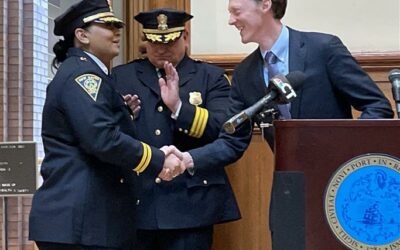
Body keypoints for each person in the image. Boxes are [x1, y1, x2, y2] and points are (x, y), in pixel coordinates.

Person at [178, 0, 394, 248]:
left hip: (344, 187)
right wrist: (189, 159)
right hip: (288, 190)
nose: (230, 20)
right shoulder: (245, 74)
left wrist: (345, 153)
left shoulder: (322, 49)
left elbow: (377, 106)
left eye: (236, 12)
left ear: (265, 5)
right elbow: (232, 140)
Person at [29, 1, 184, 250]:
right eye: (108, 25)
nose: (117, 31)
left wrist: (123, 116)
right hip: (81, 221)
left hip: (86, 220)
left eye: (118, 25)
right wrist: (157, 159)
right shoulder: (84, 76)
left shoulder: (90, 72)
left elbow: (87, 130)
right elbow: (102, 139)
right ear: (82, 35)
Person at [112, 8, 241, 250]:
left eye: (170, 40)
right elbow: (108, 135)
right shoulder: (122, 76)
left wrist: (179, 108)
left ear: (186, 37)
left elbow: (224, 131)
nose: (162, 48)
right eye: (154, 41)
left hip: (191, 203)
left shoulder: (210, 77)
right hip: (138, 202)